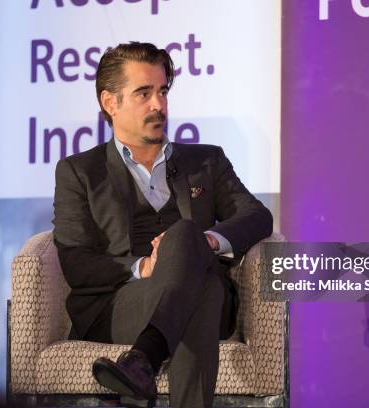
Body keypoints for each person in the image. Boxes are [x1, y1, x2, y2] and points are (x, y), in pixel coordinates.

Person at [52, 42, 273, 408]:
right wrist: (142, 266)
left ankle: (144, 357)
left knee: (187, 235)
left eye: (162, 91)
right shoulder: (79, 172)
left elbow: (256, 215)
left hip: (201, 298)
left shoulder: (206, 161)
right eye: (143, 93)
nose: (159, 104)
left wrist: (207, 243)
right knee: (205, 292)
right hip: (119, 305)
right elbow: (76, 263)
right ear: (110, 103)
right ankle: (145, 356)